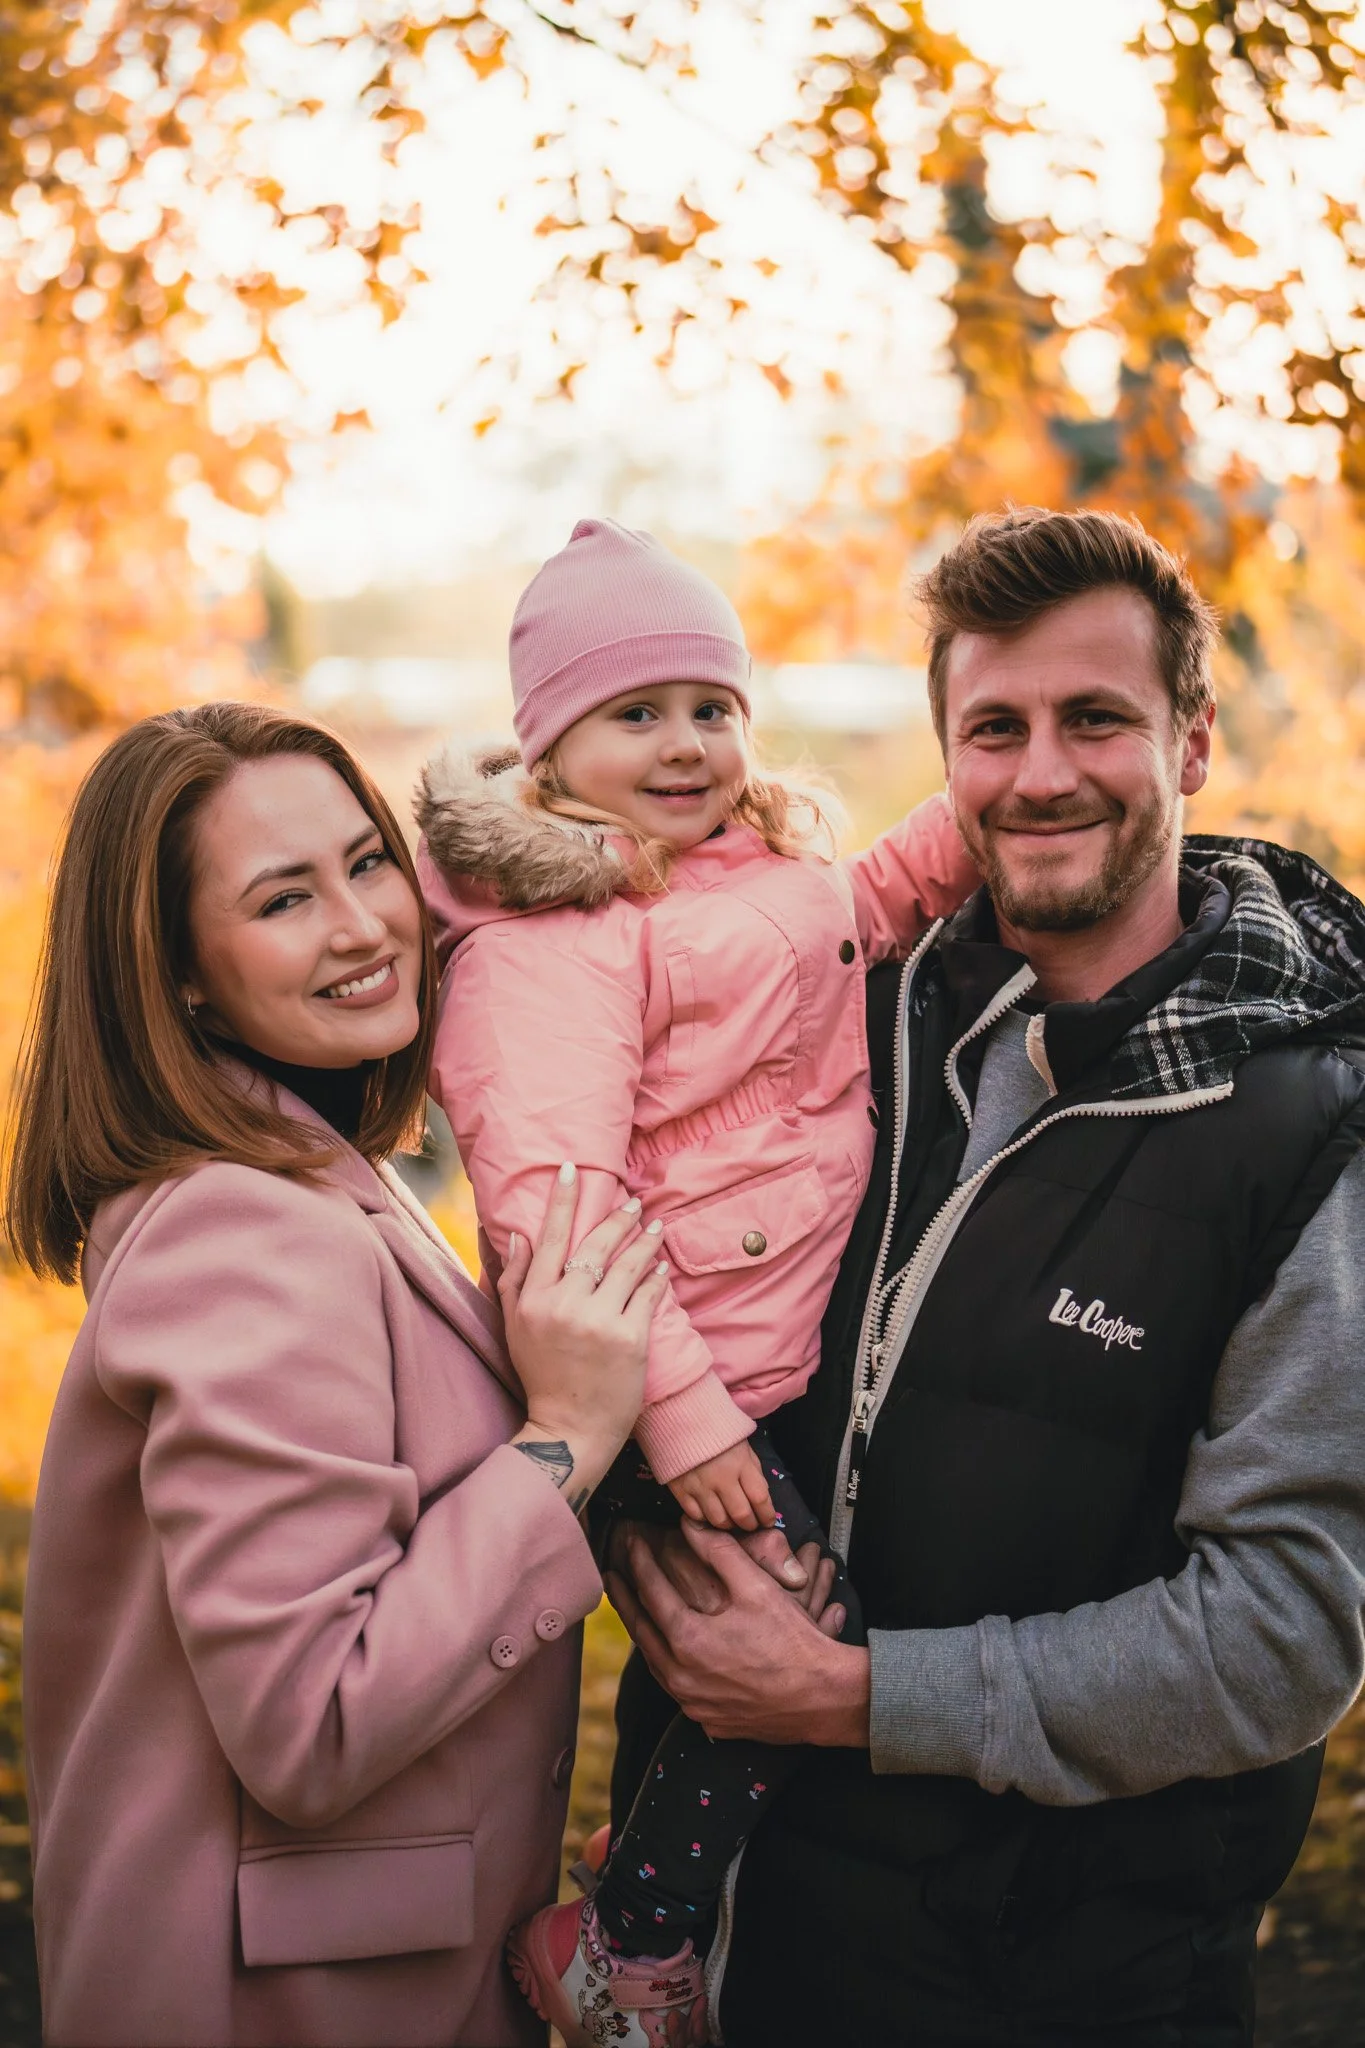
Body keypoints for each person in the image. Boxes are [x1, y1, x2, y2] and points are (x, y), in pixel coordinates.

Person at [605, 507, 1365, 2048]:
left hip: (1068, 1985)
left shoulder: (1310, 1129)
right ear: (947, 755)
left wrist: (854, 1695)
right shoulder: (836, 1016)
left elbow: (1282, 1638)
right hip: (729, 1944)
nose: (1040, 774)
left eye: (1098, 719)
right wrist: (649, 1536)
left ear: (1195, 743)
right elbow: (624, 1286)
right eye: (993, 727)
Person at [4, 701, 672, 2048]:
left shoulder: (300, 1170)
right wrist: (564, 1442)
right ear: (180, 970)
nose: (366, 925)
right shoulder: (245, 1232)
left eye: (368, 862)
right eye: (282, 899)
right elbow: (311, 1720)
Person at [412, 515, 978, 2044]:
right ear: (550, 746)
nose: (684, 745)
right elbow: (558, 1213)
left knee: (760, 1643)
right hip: (674, 1392)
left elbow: (859, 922)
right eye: (635, 714)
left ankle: (645, 1879)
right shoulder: (545, 943)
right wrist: (690, 1426)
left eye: (710, 708)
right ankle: (624, 1937)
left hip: (773, 1357)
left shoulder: (760, 871)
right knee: (802, 1639)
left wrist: (968, 823)